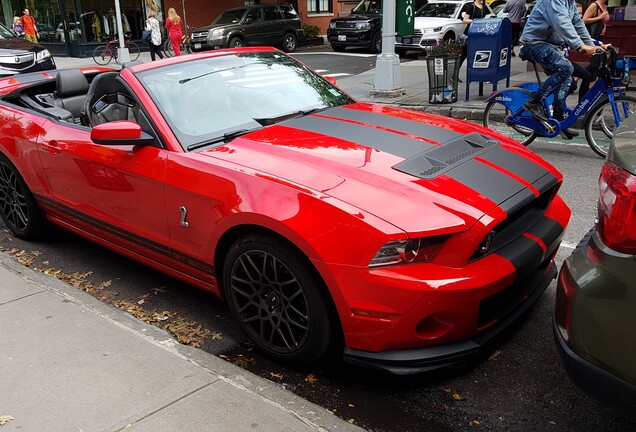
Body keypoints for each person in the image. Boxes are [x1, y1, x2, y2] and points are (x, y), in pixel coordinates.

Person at [519, 0, 598, 139]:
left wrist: (592, 46)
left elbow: (578, 24)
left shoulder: (570, 3)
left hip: (551, 46)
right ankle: (533, 102)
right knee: (566, 68)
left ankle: (559, 121)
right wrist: (580, 45)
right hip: (534, 43)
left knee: (567, 81)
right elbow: (562, 23)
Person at [459, 0, 488, 69]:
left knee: (478, 53)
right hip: (470, 32)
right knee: (464, 54)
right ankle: (455, 73)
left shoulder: (483, 6)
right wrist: (475, 21)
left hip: (479, 33)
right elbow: (465, 20)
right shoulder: (471, 6)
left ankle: (478, 74)